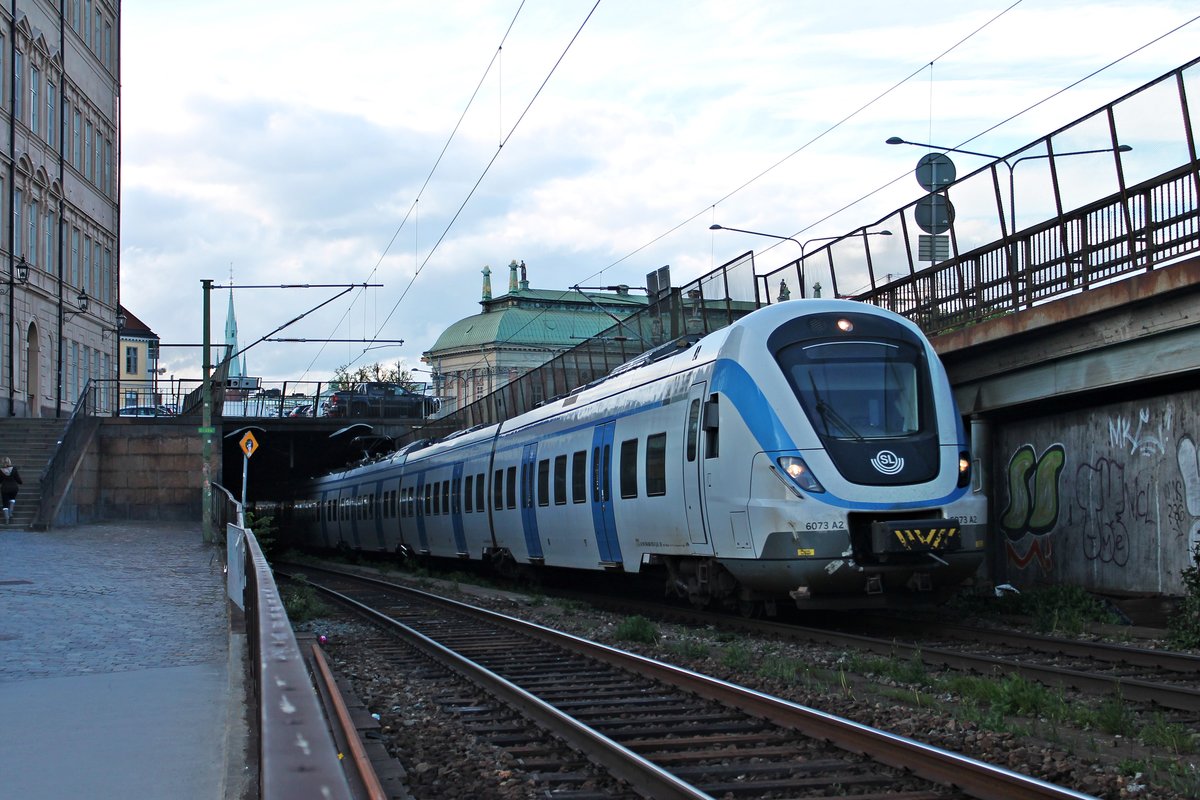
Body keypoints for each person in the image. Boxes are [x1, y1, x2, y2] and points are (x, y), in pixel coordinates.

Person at [1, 457, 21, 524]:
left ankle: (7, 519)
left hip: (5, 488)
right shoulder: (14, 469)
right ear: (9, 462)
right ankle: (10, 513)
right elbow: (18, 478)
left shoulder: (0, 470)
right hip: (14, 487)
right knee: (12, 499)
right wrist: (20, 482)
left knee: (5, 504)